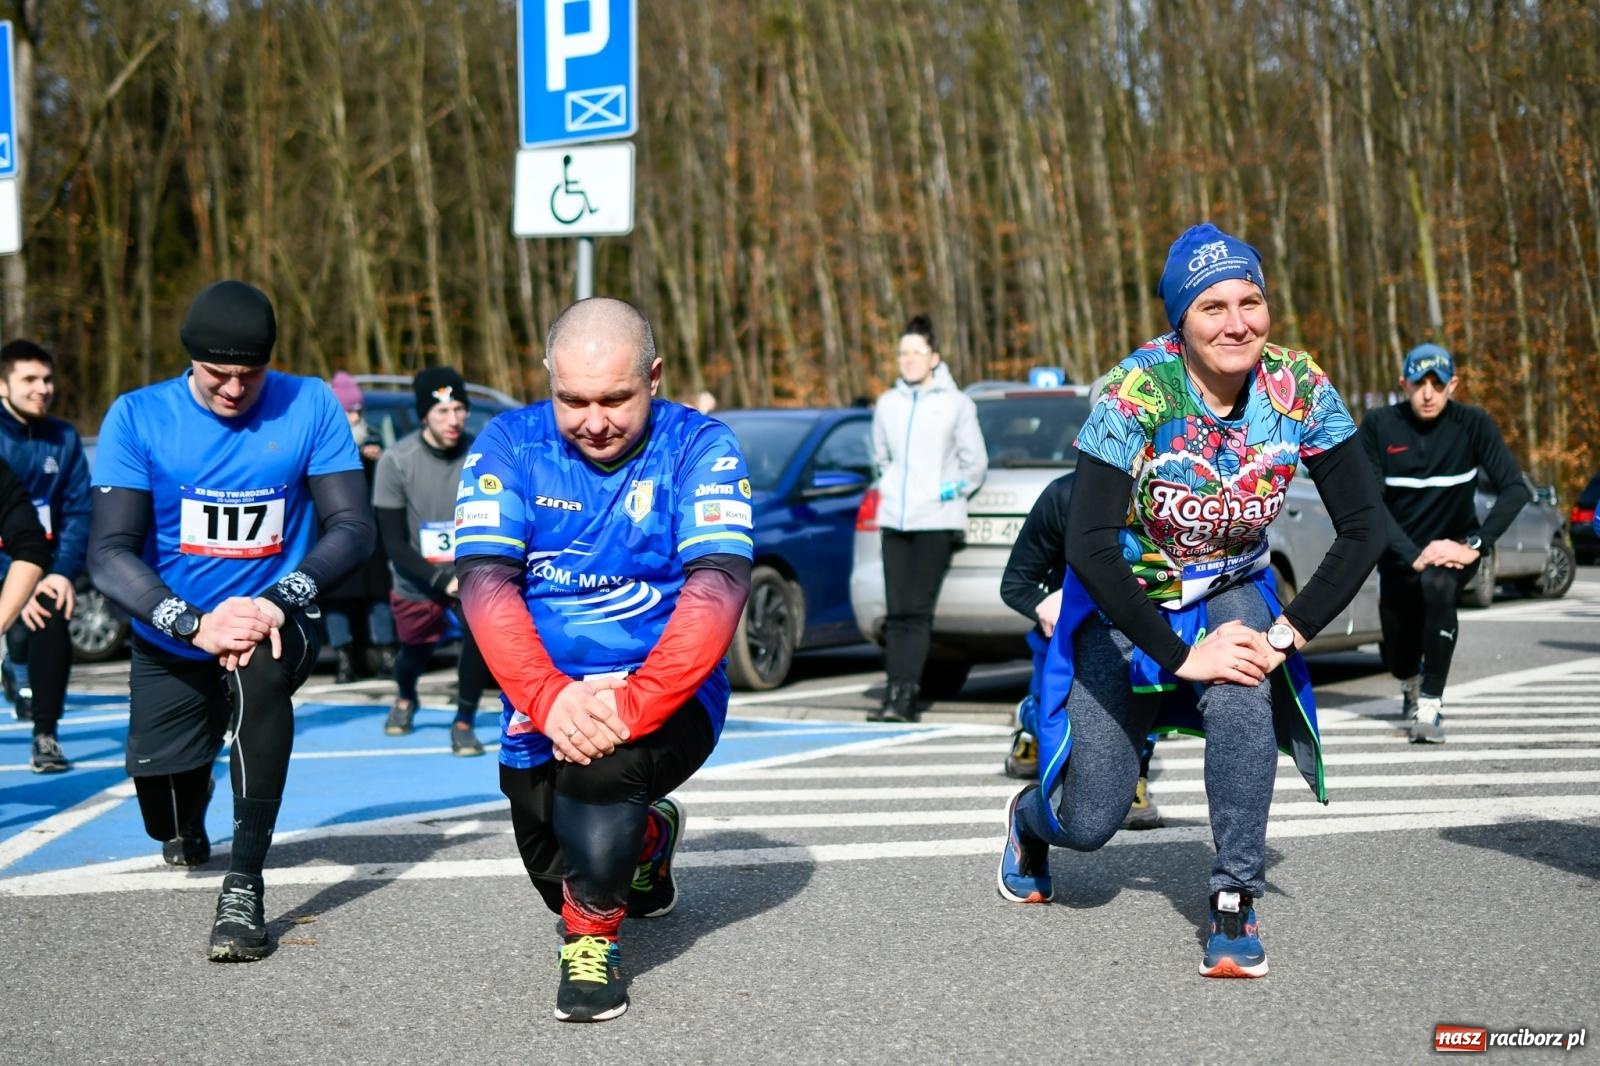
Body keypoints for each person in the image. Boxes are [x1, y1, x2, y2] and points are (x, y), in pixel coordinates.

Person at [997, 223, 1384, 980]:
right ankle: (1030, 825)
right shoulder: (1135, 390)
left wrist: (1285, 636)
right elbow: (1090, 546)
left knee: (1243, 680)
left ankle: (1233, 896)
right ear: (1182, 319)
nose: (1237, 322)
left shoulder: (1299, 385)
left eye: (1251, 301)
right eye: (1213, 306)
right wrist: (1180, 655)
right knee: (1092, 819)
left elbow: (1368, 524)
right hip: (1126, 600)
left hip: (1232, 585)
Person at [455, 296, 752, 1022]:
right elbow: (485, 584)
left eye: (616, 398)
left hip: (669, 694)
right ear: (547, 380)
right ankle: (647, 842)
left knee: (601, 778)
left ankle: (591, 944)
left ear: (654, 376)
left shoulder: (700, 447)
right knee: (551, 858)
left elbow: (718, 588)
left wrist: (629, 705)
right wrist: (550, 698)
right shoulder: (508, 445)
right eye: (572, 399)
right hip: (544, 696)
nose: (593, 421)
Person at [88, 280, 375, 961]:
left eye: (251, 374)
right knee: (164, 806)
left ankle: (244, 884)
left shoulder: (309, 404)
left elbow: (352, 526)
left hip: (273, 619)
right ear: (191, 360)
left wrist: (279, 598)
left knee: (258, 669)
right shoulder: (137, 417)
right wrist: (191, 624)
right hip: (174, 631)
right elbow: (108, 552)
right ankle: (190, 796)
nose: (235, 390)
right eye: (219, 375)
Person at [1357, 343, 1530, 743]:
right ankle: (1411, 682)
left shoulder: (1473, 424)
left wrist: (1475, 544)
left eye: (1438, 383)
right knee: (1399, 654)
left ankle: (1431, 704)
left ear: (1454, 384)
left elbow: (1514, 489)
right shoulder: (1379, 425)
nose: (1429, 393)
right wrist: (1411, 555)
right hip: (1399, 552)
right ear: (1404, 384)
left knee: (1438, 588)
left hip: (1453, 548)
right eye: (1419, 383)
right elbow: (1369, 503)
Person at [999, 472, 1163, 829]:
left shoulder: (1177, 491)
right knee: (1058, 724)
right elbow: (1015, 583)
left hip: (1143, 629)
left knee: (1147, 700)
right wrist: (1045, 605)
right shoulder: (1063, 495)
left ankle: (1133, 776)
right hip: (1066, 634)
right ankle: (1031, 718)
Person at [866, 314, 987, 722]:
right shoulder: (887, 404)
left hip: (935, 520)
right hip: (894, 519)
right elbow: (880, 457)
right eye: (903, 353)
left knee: (917, 612)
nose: (909, 360)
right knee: (896, 611)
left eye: (916, 352)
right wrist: (890, 484)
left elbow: (975, 464)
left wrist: (946, 492)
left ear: (933, 357)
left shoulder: (956, 405)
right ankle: (893, 691)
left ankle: (906, 695)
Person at [374, 367, 491, 756]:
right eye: (442, 411)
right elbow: (392, 542)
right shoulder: (396, 460)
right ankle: (406, 695)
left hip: (469, 573)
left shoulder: (482, 455)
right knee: (414, 653)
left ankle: (464, 722)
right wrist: (440, 580)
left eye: (460, 409)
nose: (454, 419)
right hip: (417, 576)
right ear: (424, 414)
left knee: (479, 639)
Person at [0, 340, 91, 772]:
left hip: (44, 563)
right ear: (3, 384)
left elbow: (78, 511)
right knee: (18, 629)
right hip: (9, 564)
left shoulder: (64, 437)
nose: (43, 388)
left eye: (48, 378)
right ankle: (14, 665)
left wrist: (59, 574)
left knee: (52, 612)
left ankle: (46, 734)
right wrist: (20, 577)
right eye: (30, 379)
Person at [321, 371, 396, 684]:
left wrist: (376, 459)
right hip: (331, 530)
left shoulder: (376, 443)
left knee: (377, 594)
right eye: (347, 411)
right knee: (337, 597)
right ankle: (344, 657)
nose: (353, 417)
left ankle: (386, 654)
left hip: (370, 531)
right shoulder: (323, 445)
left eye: (357, 410)